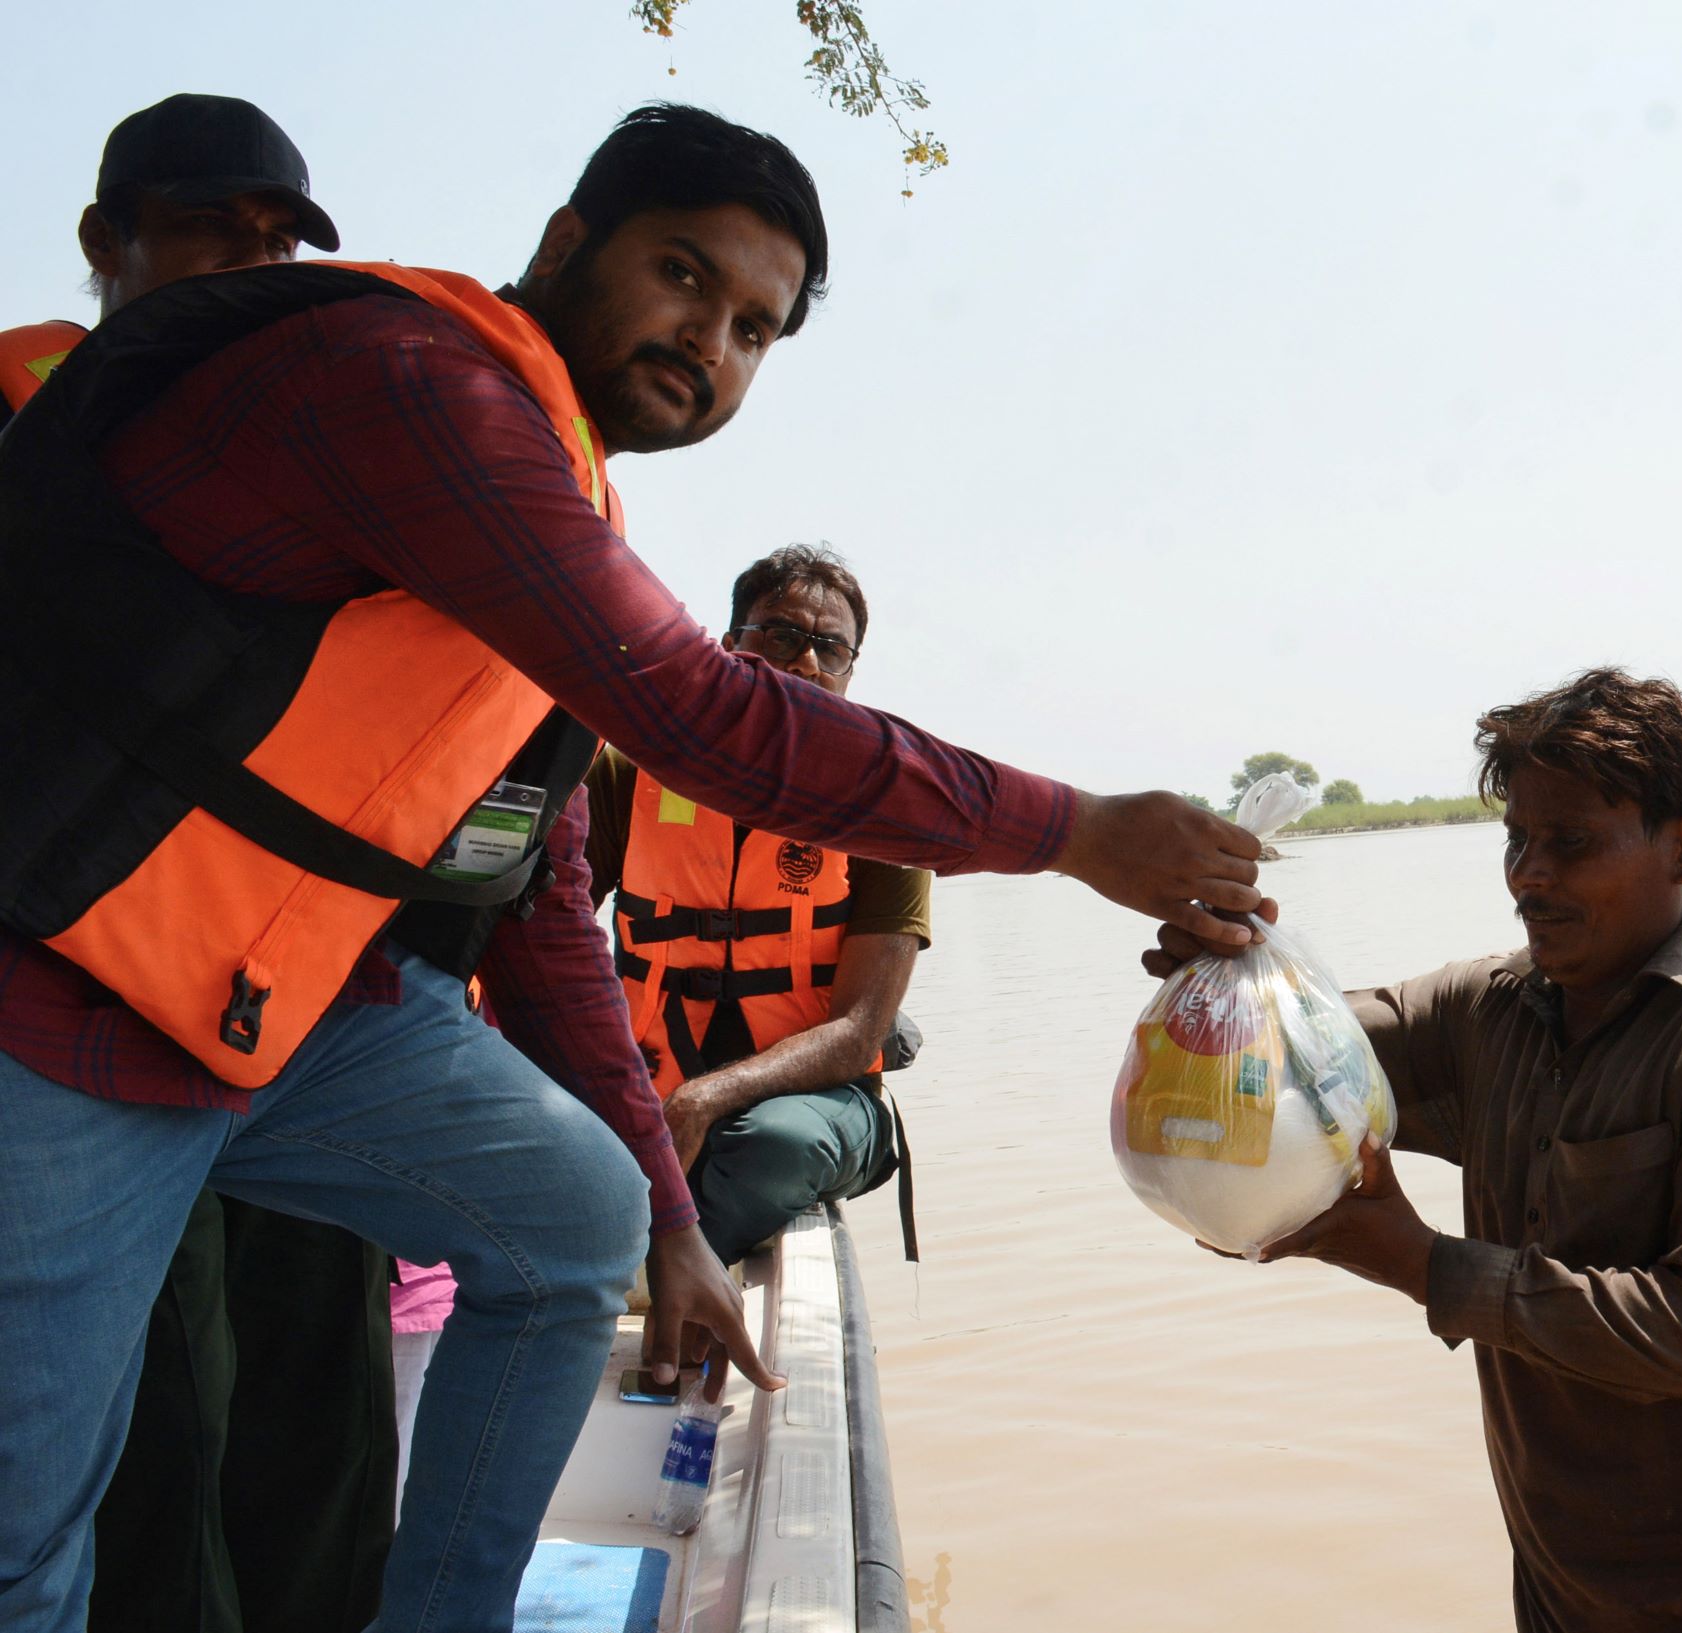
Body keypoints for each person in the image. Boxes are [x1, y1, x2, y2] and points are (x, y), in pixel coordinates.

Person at [0, 101, 1259, 1633]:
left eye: (753, 329)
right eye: (682, 276)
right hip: (57, 992)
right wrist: (1077, 831)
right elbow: (701, 714)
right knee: (32, 1543)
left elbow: (537, 907)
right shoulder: (414, 386)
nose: (710, 342)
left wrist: (671, 1218)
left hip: (266, 1008)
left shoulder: (553, 516)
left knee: (572, 1218)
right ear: (563, 246)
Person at [1145, 669, 1682, 1632]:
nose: (1527, 876)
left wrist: (1423, 1265)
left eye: (1571, 843)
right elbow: (1303, 1050)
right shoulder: (1487, 1015)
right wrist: (1226, 978)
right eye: (1517, 840)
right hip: (1569, 1595)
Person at [1, 93, 399, 1633]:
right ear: (107, 244)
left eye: (278, 243)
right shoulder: (26, 419)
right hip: (77, 1027)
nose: (252, 269)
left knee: (320, 1394)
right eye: (209, 235)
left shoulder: (330, 447)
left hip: (298, 1009)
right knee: (158, 1422)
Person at [587, 544, 927, 1264]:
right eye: (779, 635)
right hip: (649, 1080)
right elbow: (541, 936)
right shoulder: (628, 772)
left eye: (829, 647)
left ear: (850, 671)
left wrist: (706, 1099)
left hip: (822, 1102)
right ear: (729, 645)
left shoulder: (891, 805)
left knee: (773, 1144)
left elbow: (859, 1025)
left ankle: (665, 1273)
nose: (804, 662)